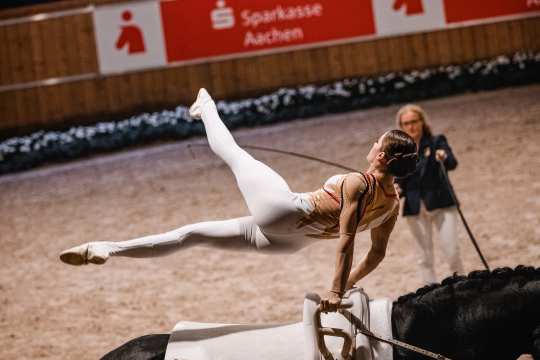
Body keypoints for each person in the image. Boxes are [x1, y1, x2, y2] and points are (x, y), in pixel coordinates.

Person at [60, 89, 417, 310]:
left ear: (382, 157)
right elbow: (377, 254)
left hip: (280, 211)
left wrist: (336, 291)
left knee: (233, 153)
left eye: (377, 143)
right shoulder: (392, 205)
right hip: (290, 242)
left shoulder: (358, 182)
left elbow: (346, 242)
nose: (373, 145)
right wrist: (350, 282)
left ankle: (206, 105)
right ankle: (103, 247)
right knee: (193, 234)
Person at [394, 104, 464, 284]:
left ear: (422, 122)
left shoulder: (436, 141)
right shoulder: (399, 151)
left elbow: (452, 163)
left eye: (414, 122)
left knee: (452, 251)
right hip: (415, 208)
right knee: (423, 256)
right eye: (406, 123)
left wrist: (444, 157)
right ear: (401, 126)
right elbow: (398, 181)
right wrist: (396, 189)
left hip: (442, 204)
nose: (411, 126)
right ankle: (429, 294)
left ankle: (462, 287)